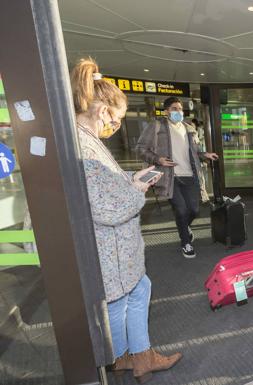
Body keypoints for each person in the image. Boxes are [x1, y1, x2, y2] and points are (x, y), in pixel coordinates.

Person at [71, 58, 181, 383]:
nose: (116, 125)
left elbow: (106, 186)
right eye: (116, 119)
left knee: (131, 294)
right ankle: (129, 357)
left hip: (115, 250)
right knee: (122, 300)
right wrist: (138, 190)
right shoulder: (84, 148)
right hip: (112, 249)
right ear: (103, 111)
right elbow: (109, 208)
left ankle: (130, 356)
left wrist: (132, 178)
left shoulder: (87, 142)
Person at [137, 97, 218, 258]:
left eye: (180, 109)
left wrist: (204, 154)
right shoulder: (157, 126)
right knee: (181, 210)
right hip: (170, 177)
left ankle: (184, 227)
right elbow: (141, 148)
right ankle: (186, 242)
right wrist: (158, 159)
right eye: (174, 108)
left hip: (190, 175)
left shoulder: (189, 128)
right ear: (166, 111)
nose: (178, 112)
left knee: (194, 210)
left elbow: (193, 152)